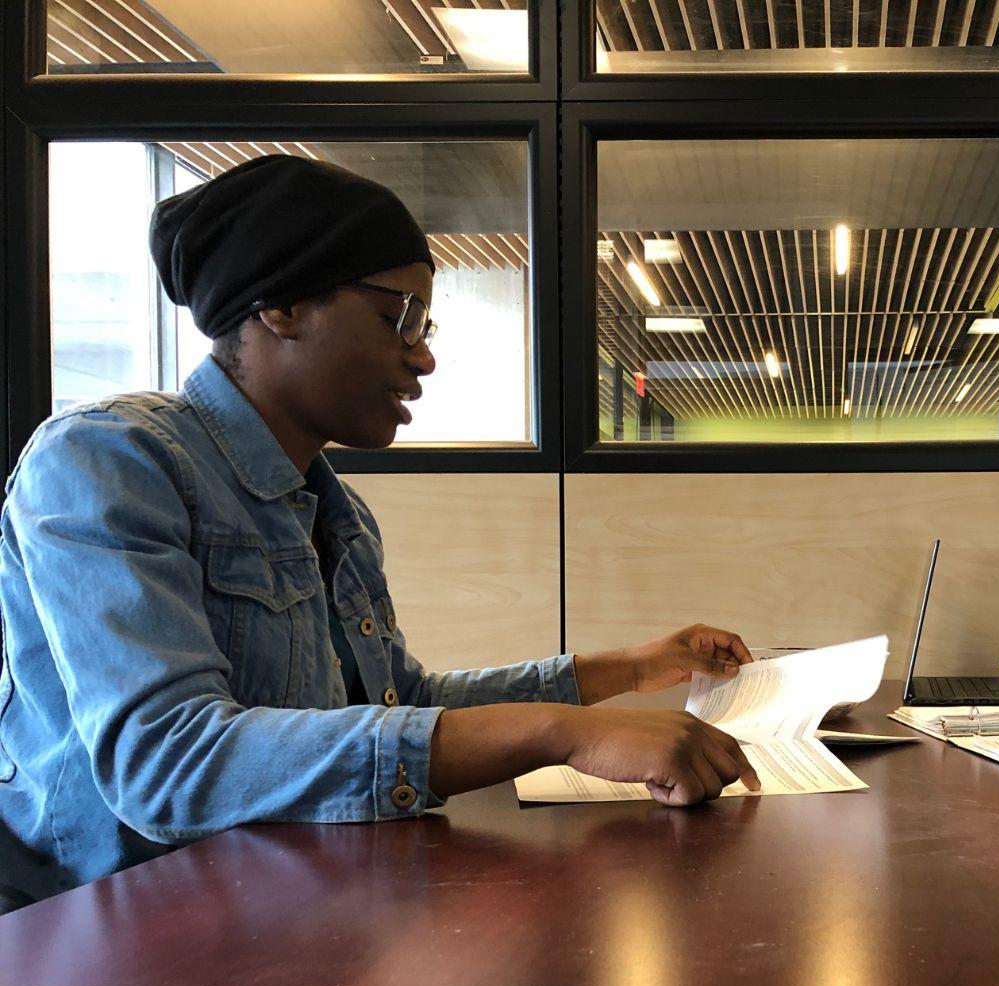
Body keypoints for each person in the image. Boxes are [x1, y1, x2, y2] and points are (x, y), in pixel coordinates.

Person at [0, 155, 758, 904]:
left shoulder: (340, 515)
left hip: (285, 911)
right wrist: (560, 733)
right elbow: (167, 763)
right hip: (105, 940)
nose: (423, 355)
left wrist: (623, 669)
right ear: (281, 306)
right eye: (400, 316)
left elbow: (401, 697)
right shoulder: (106, 458)